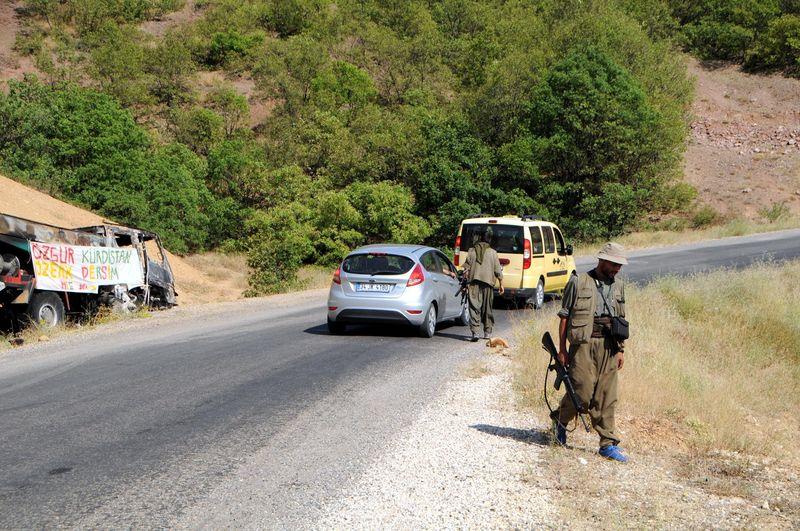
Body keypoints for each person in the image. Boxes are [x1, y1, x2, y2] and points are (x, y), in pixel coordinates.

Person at [551, 242, 629, 463]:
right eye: (614, 264)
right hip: (583, 345)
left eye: (620, 265)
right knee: (581, 393)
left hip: (609, 346)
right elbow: (564, 317)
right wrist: (562, 350)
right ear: (602, 260)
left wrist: (621, 350)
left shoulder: (619, 286)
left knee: (607, 396)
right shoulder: (578, 282)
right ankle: (559, 421)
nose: (617, 269)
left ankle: (607, 443)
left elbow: (621, 319)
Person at [462, 229, 504, 342]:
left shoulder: (471, 251)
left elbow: (466, 270)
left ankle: (475, 332)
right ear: (488, 239)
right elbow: (498, 270)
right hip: (488, 284)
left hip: (473, 284)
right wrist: (501, 284)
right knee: (487, 308)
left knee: (474, 308)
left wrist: (464, 284)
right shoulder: (493, 253)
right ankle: (487, 332)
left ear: (479, 238)